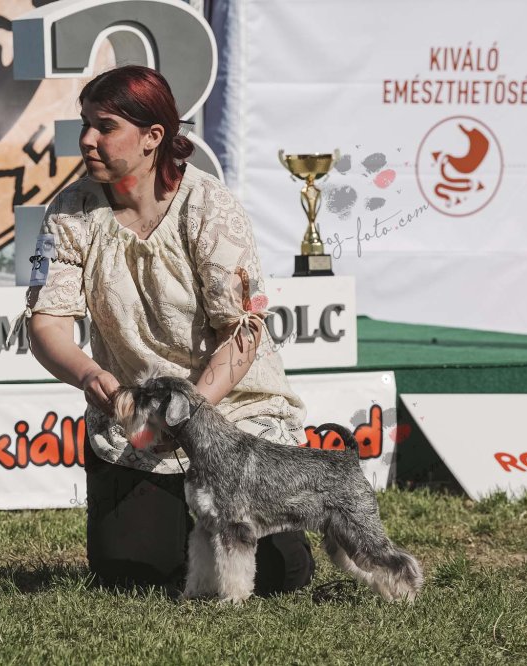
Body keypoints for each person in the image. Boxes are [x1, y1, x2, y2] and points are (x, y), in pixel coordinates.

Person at [22, 65, 314, 594]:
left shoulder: (209, 206)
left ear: (153, 137)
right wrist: (91, 377)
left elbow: (241, 332)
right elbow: (46, 322)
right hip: (135, 419)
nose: (87, 139)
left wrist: (190, 415)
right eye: (85, 123)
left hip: (230, 411)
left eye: (105, 127)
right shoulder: (68, 211)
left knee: (279, 572)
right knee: (132, 575)